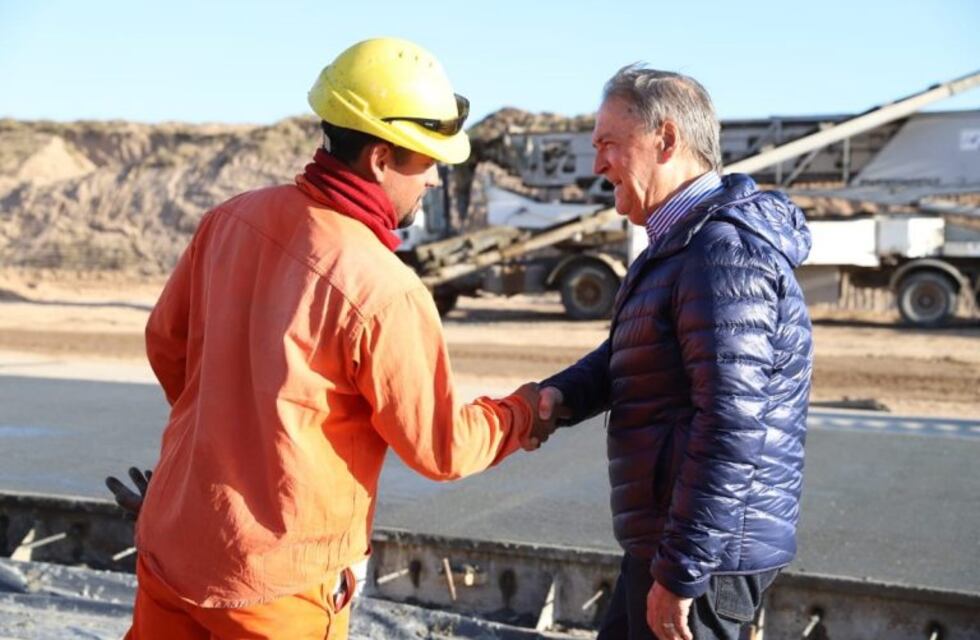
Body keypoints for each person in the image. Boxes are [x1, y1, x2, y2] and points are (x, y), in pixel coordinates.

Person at [110, 37, 556, 640]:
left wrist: (223, 440)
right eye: (426, 163)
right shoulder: (381, 288)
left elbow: (167, 346)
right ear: (380, 158)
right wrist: (522, 414)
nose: (432, 182)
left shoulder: (230, 220)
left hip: (174, 542)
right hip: (276, 582)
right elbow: (442, 447)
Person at [536, 65, 813, 640]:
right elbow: (632, 352)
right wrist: (558, 396)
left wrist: (683, 573)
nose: (597, 165)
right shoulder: (683, 243)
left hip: (704, 555)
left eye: (609, 144)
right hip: (676, 538)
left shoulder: (721, 252)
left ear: (665, 139)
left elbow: (732, 425)